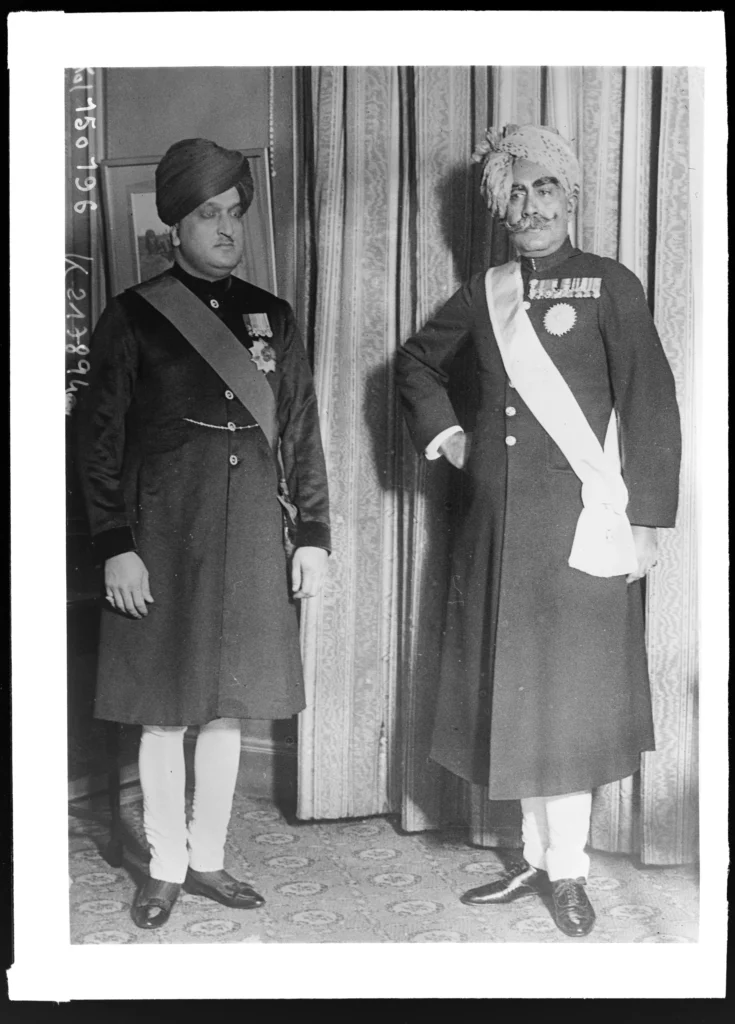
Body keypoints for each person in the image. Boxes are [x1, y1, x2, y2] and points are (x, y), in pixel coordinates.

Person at [395, 124, 681, 937]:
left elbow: (651, 404)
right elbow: (415, 364)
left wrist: (648, 521)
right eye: (513, 194)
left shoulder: (609, 285)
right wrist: (450, 436)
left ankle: (570, 870)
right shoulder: (486, 292)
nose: (529, 206)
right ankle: (530, 857)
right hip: (497, 527)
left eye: (543, 188)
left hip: (582, 525)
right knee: (513, 691)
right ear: (497, 208)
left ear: (571, 195)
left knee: (570, 698)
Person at [78, 138, 331, 930]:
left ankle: (209, 857)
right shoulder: (132, 316)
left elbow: (299, 431)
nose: (227, 228)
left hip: (253, 531)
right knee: (163, 709)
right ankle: (163, 864)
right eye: (209, 214)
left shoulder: (272, 316)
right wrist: (115, 543)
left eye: (235, 213)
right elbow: (98, 442)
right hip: (161, 538)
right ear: (174, 227)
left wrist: (313, 533)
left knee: (228, 708)